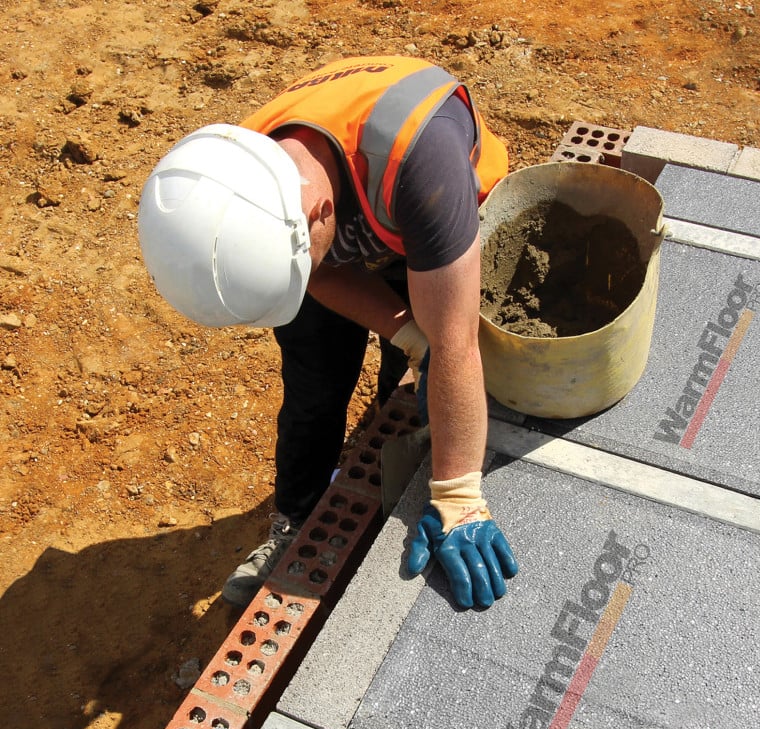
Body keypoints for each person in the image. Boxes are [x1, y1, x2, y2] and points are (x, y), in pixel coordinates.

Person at [137, 56, 519, 610]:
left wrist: (460, 495)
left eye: (308, 257)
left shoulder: (423, 165)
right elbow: (313, 272)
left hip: (416, 223)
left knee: (426, 369)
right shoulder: (240, 180)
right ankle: (295, 521)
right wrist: (406, 331)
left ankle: (409, 466)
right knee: (313, 392)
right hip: (324, 237)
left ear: (317, 212)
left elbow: (456, 340)